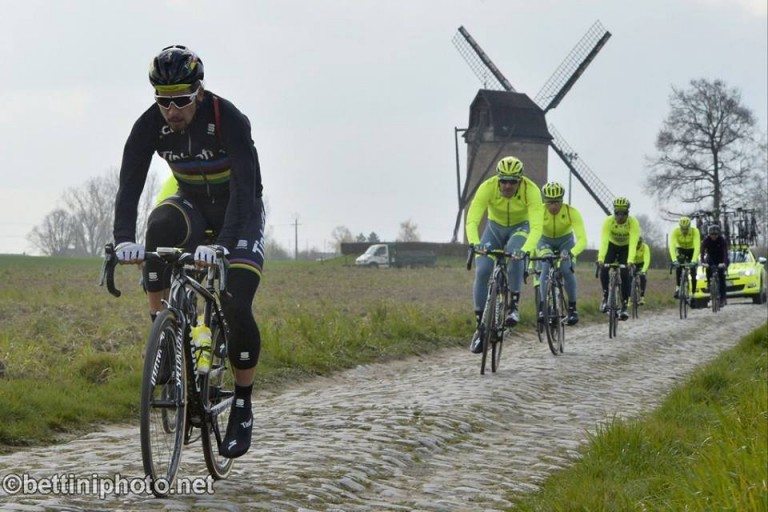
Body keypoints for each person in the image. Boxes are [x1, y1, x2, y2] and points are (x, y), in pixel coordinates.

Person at [112, 45, 265, 459]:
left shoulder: (227, 118)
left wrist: (222, 245)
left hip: (240, 210)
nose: (172, 110)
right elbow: (129, 186)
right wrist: (124, 239)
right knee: (160, 226)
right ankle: (162, 333)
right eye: (163, 100)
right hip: (194, 205)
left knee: (235, 301)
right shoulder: (149, 126)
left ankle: (242, 404)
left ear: (199, 91)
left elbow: (246, 190)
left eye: (180, 99)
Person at [465, 156, 543, 353]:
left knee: (514, 255)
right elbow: (472, 220)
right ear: (498, 179)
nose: (507, 186)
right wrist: (475, 243)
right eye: (504, 181)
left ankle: (513, 307)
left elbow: (536, 226)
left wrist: (526, 250)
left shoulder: (531, 190)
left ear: (520, 181)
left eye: (513, 182)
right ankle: (481, 325)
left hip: (520, 227)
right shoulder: (487, 187)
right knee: (482, 270)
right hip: (494, 228)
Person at [537, 182, 587, 325]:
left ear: (562, 200)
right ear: (545, 201)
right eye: (550, 202)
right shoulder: (539, 211)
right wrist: (540, 250)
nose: (553, 206)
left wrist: (572, 253)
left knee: (566, 270)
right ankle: (543, 306)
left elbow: (582, 239)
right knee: (545, 269)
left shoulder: (571, 212)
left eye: (557, 202)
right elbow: (533, 233)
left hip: (566, 242)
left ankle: (572, 308)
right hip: (544, 240)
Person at [597, 197, 641, 321]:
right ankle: (606, 297)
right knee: (604, 269)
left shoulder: (633, 223)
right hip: (611, 245)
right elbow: (604, 241)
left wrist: (630, 260)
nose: (620, 216)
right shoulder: (608, 221)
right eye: (617, 213)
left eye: (624, 213)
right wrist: (600, 258)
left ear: (628, 213)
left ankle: (624, 306)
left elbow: (633, 243)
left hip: (626, 247)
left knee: (626, 273)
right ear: (614, 212)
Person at [668, 216, 700, 298]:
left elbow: (697, 247)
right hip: (681, 250)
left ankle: (693, 293)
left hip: (692, 250)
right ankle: (678, 288)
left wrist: (694, 260)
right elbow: (672, 246)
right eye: (682, 228)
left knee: (693, 272)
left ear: (689, 227)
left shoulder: (695, 231)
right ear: (680, 227)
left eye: (686, 228)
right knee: (678, 266)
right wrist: (674, 260)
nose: (684, 230)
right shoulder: (675, 232)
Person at [700, 223, 729, 306]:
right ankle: (709, 285)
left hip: (721, 259)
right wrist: (703, 262)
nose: (714, 236)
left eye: (715, 234)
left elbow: (725, 253)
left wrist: (724, 263)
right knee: (708, 270)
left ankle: (723, 298)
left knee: (721, 277)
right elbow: (702, 252)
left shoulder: (722, 240)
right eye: (712, 234)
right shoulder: (706, 240)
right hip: (711, 259)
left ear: (718, 234)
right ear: (709, 234)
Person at [631, 236, 651, 305]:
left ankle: (642, 296)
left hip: (642, 264)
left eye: (639, 243)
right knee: (628, 277)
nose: (637, 245)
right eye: (636, 243)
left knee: (643, 277)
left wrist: (643, 271)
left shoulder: (645, 247)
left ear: (641, 242)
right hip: (632, 263)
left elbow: (647, 260)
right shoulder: (631, 246)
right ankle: (629, 298)